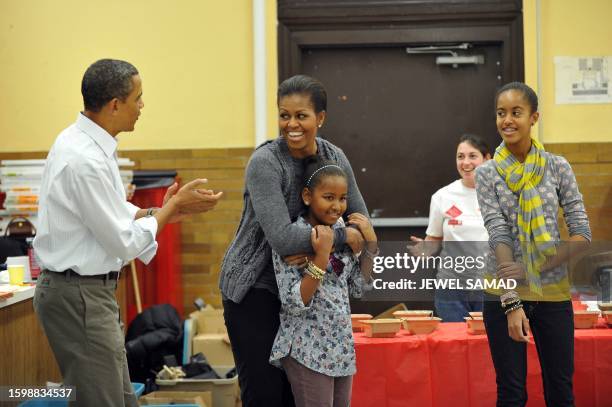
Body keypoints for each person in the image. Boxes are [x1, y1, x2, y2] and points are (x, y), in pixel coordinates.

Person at [33, 59, 223, 407]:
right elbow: (123, 241)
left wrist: (162, 211)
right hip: (78, 296)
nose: (142, 106)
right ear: (115, 105)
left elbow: (113, 210)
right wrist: (167, 211)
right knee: (103, 401)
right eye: (138, 97)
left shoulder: (88, 143)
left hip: (87, 294)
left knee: (121, 399)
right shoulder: (83, 158)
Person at [220, 74, 369, 407]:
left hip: (308, 296)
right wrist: (340, 238)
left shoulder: (335, 157)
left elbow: (363, 220)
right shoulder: (265, 163)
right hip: (254, 290)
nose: (291, 124)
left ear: (321, 118)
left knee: (299, 396)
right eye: (284, 115)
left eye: (301, 115)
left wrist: (338, 240)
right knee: (266, 395)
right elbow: (284, 239)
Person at [474, 82, 591, 406]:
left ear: (534, 117)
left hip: (552, 292)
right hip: (502, 293)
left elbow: (582, 233)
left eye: (516, 112)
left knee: (560, 390)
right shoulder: (487, 173)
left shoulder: (557, 167)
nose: (507, 120)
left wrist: (533, 268)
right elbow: (498, 231)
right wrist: (512, 300)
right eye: (501, 113)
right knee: (511, 394)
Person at [269, 157, 377, 407]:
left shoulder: (344, 231)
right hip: (307, 348)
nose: (337, 206)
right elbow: (295, 302)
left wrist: (371, 244)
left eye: (342, 198)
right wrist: (320, 256)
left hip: (340, 347)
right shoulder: (293, 238)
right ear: (307, 196)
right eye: (328, 197)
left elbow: (359, 287)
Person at [410, 134, 491, 322]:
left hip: (491, 288)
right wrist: (424, 249)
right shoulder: (442, 196)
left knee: (488, 347)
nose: (466, 162)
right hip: (451, 290)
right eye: (460, 156)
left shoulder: (501, 195)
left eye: (472, 156)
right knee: (454, 346)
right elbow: (434, 240)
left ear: (487, 159)